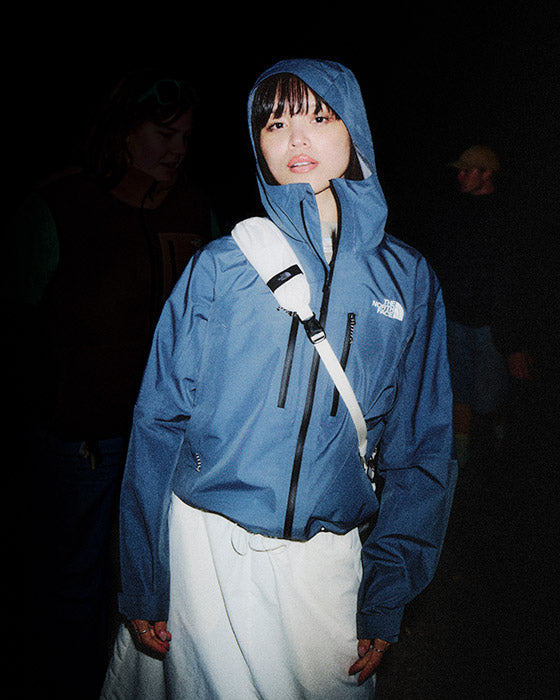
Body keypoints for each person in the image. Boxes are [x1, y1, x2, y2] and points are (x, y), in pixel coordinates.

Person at [104, 59, 456, 699]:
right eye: (274, 123)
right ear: (257, 143)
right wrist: (143, 577)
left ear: (354, 130)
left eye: (319, 117)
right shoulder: (221, 266)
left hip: (327, 562)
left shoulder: (408, 279)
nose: (296, 137)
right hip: (205, 547)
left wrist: (387, 592)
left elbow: (421, 447)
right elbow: (158, 423)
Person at [10, 69, 216, 699]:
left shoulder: (195, 211)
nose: (177, 150)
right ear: (125, 133)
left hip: (169, 446)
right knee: (72, 587)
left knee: (155, 589)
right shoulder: (60, 206)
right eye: (163, 134)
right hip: (82, 446)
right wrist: (56, 404)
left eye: (186, 136)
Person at [428, 145, 526, 469]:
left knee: (490, 400)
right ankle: (461, 467)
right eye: (459, 170)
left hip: (489, 327)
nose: (460, 176)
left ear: (486, 174)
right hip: (455, 322)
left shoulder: (506, 216)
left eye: (467, 170)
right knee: (459, 396)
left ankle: (499, 453)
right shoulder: (455, 212)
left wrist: (514, 343)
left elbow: (512, 282)